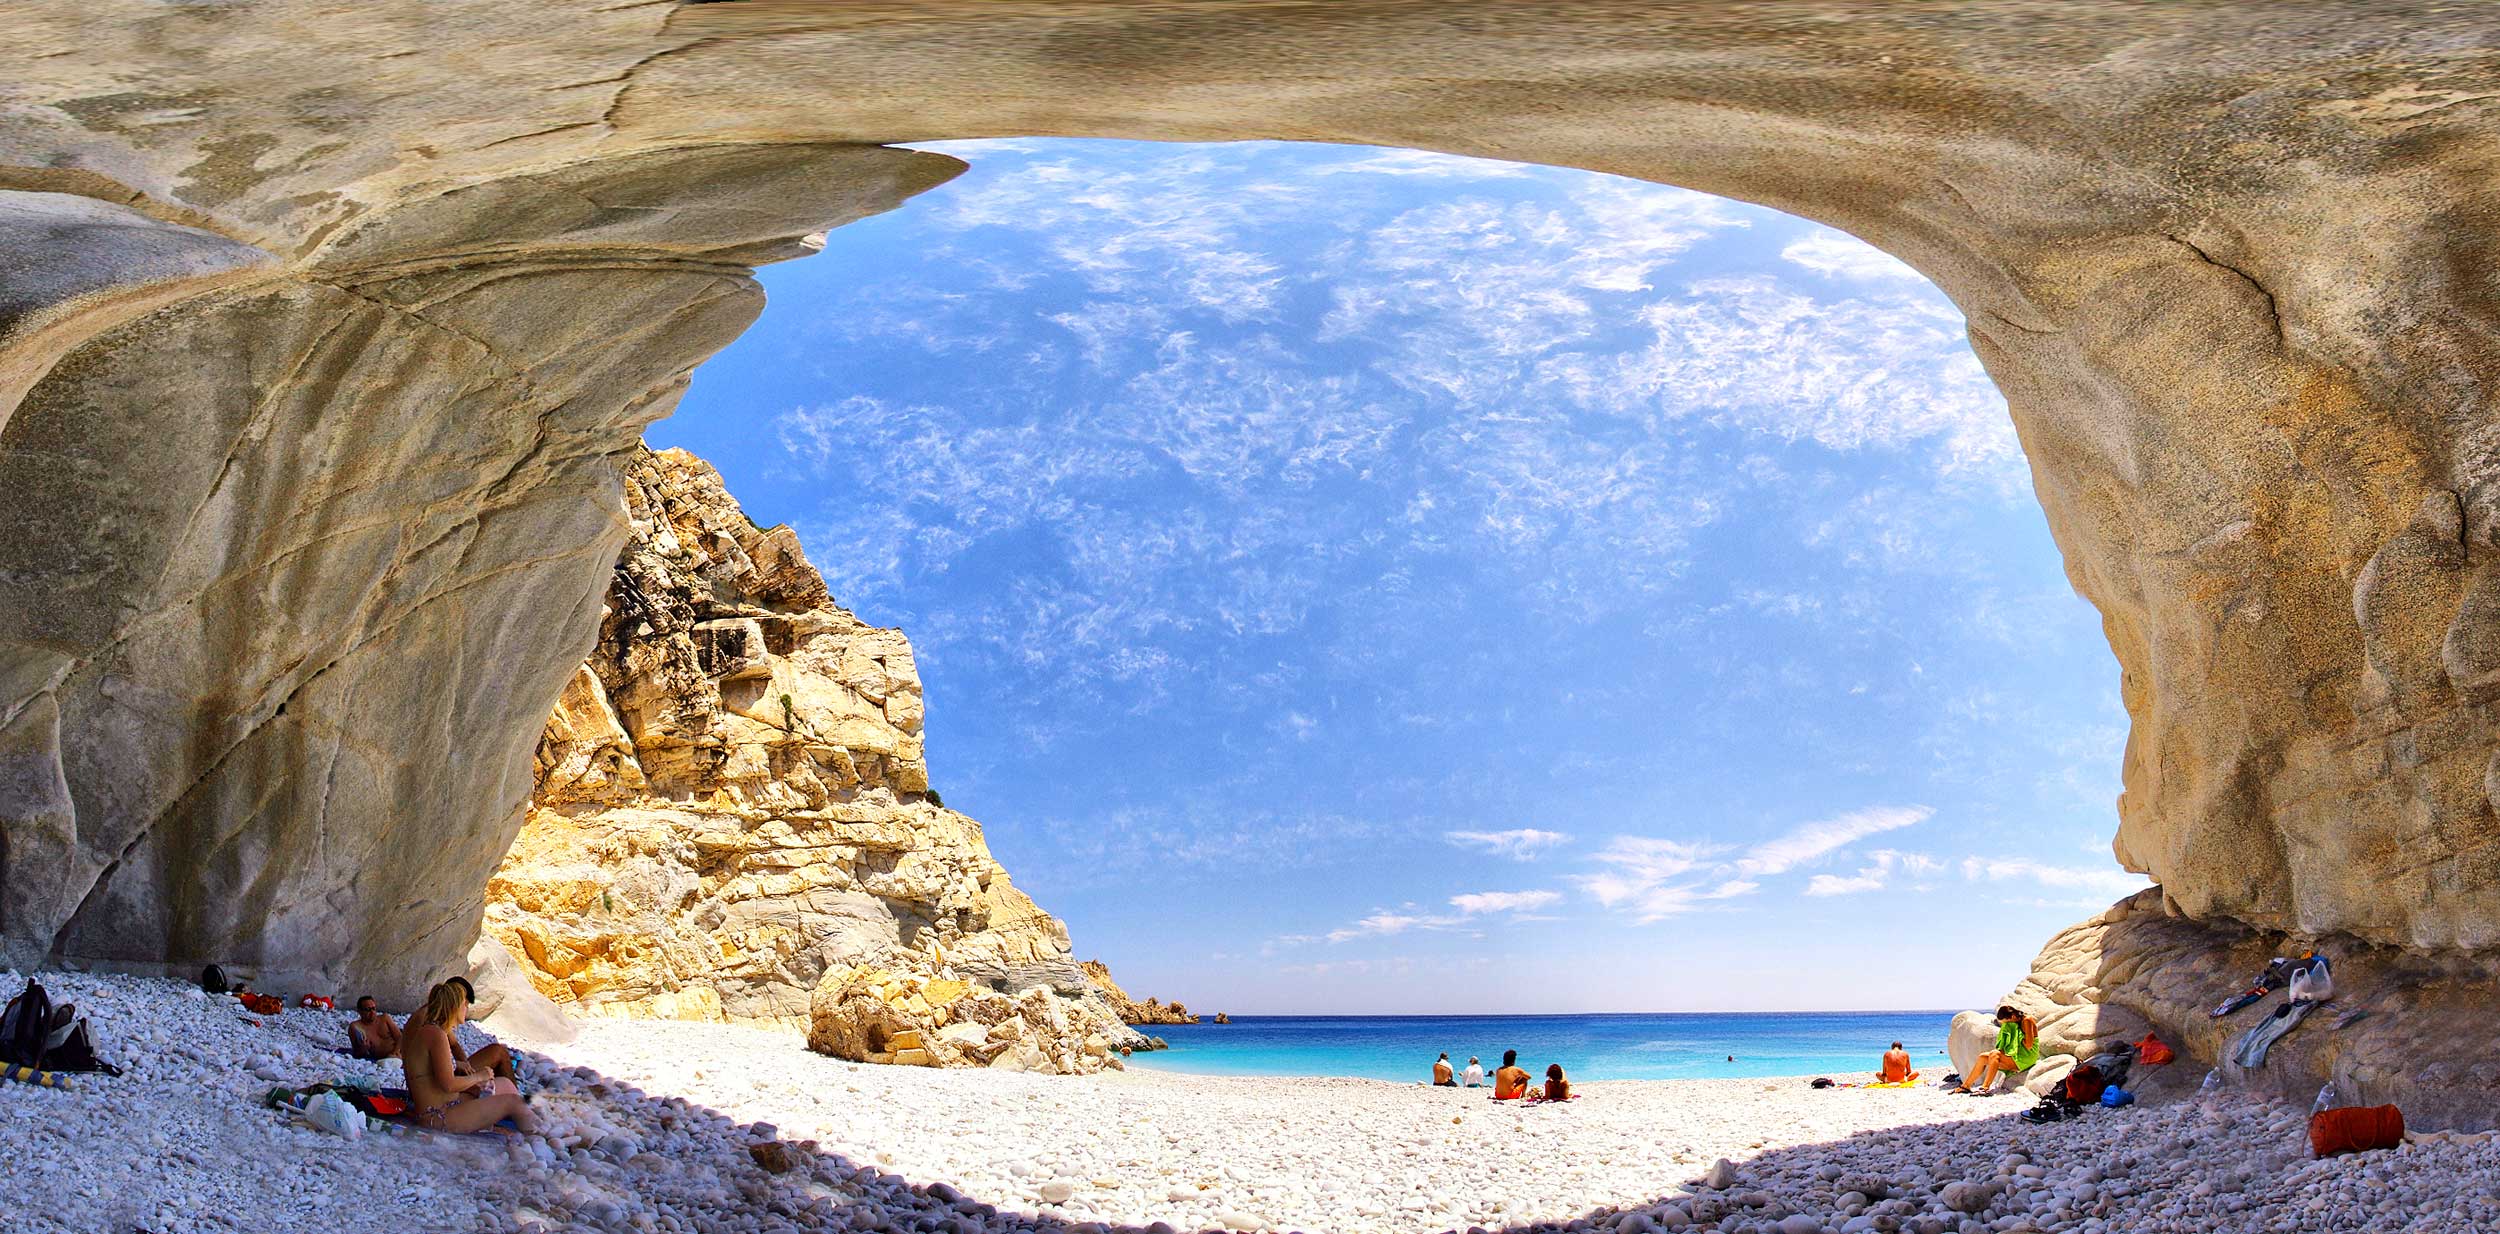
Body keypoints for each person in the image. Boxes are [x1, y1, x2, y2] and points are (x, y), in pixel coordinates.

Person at [401, 981, 538, 1134]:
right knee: (513, 1102)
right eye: (465, 1004)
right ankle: (537, 1137)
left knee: (505, 1084)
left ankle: (529, 1125)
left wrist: (471, 1078)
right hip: (436, 1116)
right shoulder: (435, 1034)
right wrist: (479, 1077)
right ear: (455, 1006)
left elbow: (438, 1077)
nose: (467, 1008)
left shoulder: (435, 1030)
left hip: (448, 1102)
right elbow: (449, 1085)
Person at [1954, 1005, 2038, 1095]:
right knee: (1983, 1057)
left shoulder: (2027, 1020)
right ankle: (1965, 1086)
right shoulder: (2016, 1021)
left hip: (2027, 1056)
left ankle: (1985, 1088)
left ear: (2013, 1016)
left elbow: (2029, 1045)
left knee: (1994, 1054)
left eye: (2007, 1022)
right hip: (2018, 1054)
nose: (2007, 1025)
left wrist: (2016, 1035)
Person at [346, 995, 400, 1061]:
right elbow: (356, 1053)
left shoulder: (385, 1019)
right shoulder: (355, 1027)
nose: (372, 1012)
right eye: (368, 1010)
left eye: (374, 1008)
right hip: (383, 1060)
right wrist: (363, 1049)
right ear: (360, 1011)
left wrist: (395, 1052)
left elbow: (400, 1037)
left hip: (398, 1052)